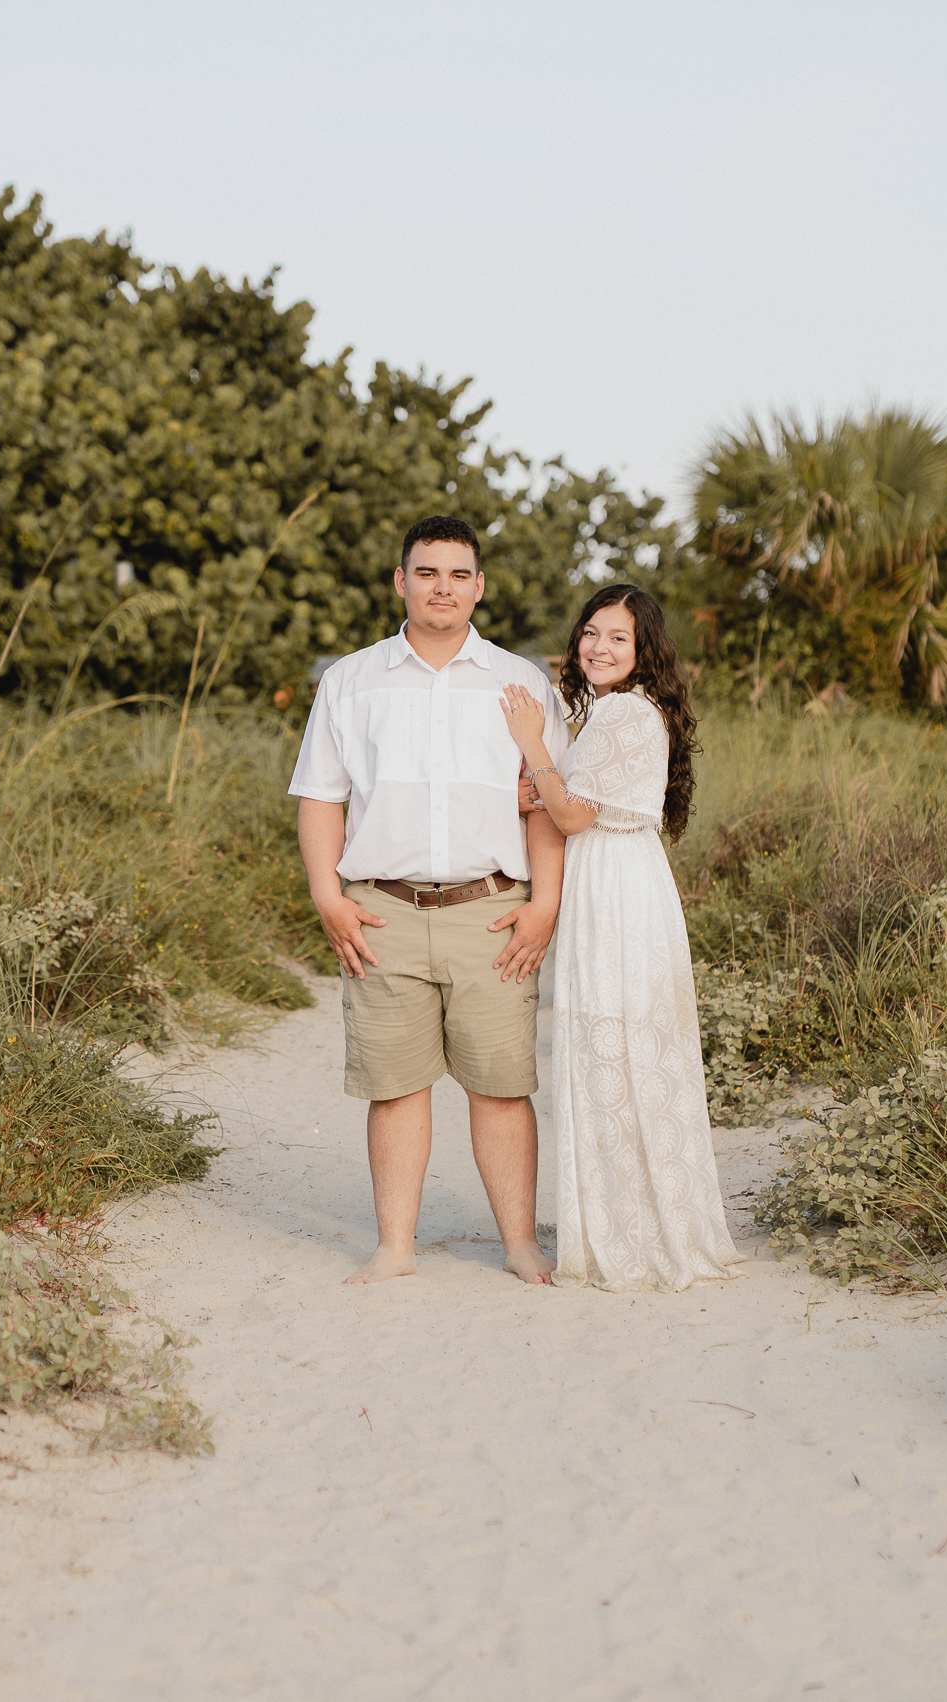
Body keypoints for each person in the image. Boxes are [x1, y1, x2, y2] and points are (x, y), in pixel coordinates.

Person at [289, 515, 573, 1285]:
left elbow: (546, 801)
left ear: (478, 585)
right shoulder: (352, 681)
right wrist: (328, 896)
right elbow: (321, 796)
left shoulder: (521, 683)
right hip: (383, 912)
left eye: (457, 574)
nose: (442, 587)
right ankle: (395, 1248)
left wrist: (544, 902)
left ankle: (519, 1244)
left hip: (494, 912)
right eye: (427, 572)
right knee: (395, 1084)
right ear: (400, 581)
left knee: (502, 1086)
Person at [499, 585, 744, 1292]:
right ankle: (626, 1216)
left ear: (643, 654)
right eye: (592, 633)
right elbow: (570, 799)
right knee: (623, 1047)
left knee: (618, 1045)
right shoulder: (609, 713)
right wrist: (540, 786)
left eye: (619, 639)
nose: (599, 648)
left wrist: (530, 745)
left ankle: (632, 1232)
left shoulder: (625, 712)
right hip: (618, 880)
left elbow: (573, 817)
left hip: (616, 892)